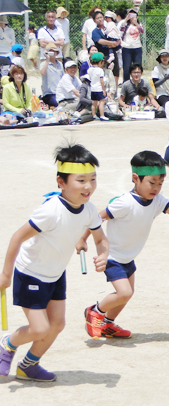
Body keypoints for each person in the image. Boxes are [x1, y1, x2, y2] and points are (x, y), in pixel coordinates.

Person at [0, 144, 107, 382]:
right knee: (40, 328)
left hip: (56, 274)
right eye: (81, 180)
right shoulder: (50, 211)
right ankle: (7, 344)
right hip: (31, 273)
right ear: (61, 182)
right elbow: (17, 237)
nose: (88, 186)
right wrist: (6, 275)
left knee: (57, 325)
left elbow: (101, 239)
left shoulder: (89, 210)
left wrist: (103, 255)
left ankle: (28, 365)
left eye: (93, 179)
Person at [83, 151, 169, 339]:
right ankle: (95, 311)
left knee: (127, 294)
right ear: (135, 178)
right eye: (152, 183)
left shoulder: (157, 200)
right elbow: (97, 217)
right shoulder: (125, 203)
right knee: (124, 293)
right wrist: (83, 238)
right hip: (113, 256)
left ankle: (107, 324)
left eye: (160, 183)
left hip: (128, 257)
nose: (156, 188)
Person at [119, 9, 144, 82]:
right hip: (127, 48)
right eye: (131, 15)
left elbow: (142, 31)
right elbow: (121, 30)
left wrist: (136, 23)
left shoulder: (139, 24)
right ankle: (126, 82)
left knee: (137, 66)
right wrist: (126, 20)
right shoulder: (125, 24)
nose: (132, 17)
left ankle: (137, 82)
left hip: (137, 47)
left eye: (134, 15)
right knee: (126, 67)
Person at [88, 52, 107, 120]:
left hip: (93, 89)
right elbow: (101, 81)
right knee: (102, 102)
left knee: (94, 103)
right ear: (100, 61)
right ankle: (102, 115)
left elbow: (90, 78)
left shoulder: (89, 70)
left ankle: (94, 115)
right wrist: (103, 90)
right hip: (99, 88)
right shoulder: (100, 70)